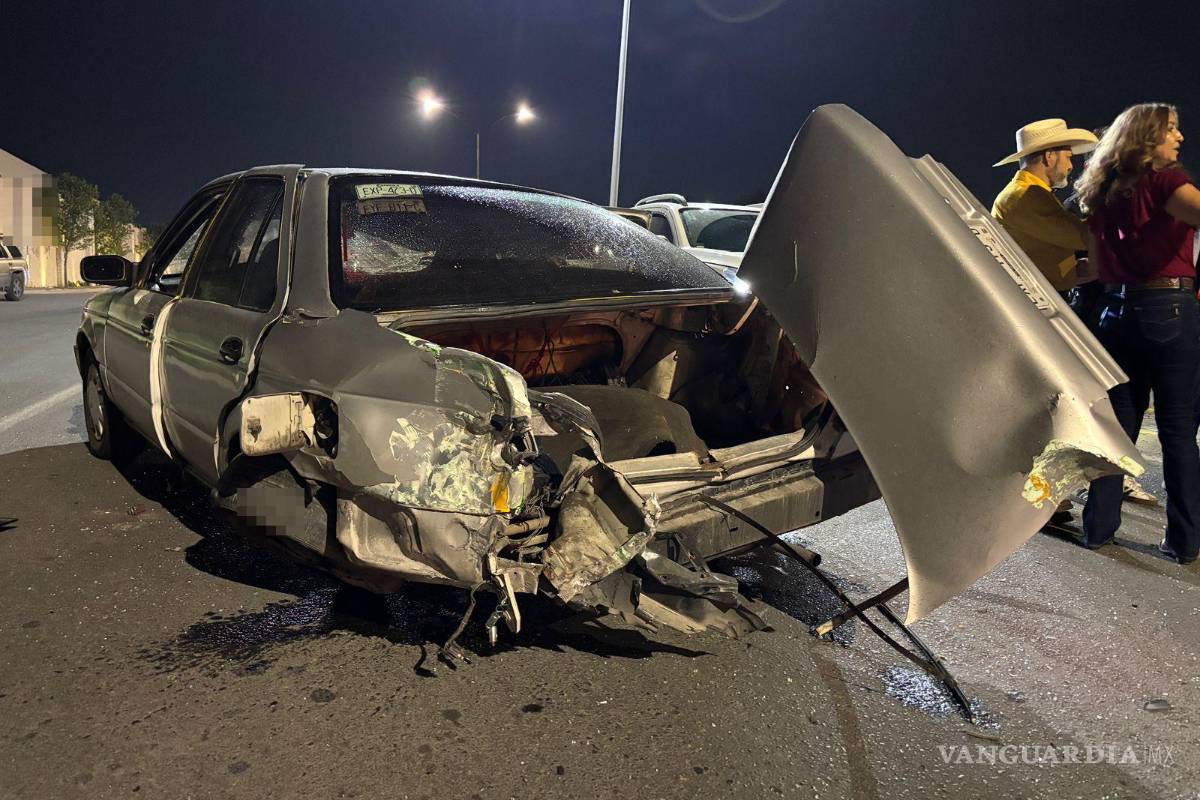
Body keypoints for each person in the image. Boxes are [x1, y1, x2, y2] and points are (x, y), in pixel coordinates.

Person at [1075, 103, 1200, 563]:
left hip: (1115, 312)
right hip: (1168, 308)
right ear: (1148, 137)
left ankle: (1098, 529)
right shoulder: (1166, 181)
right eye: (1172, 129)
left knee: (1118, 427)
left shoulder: (1101, 188)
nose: (1180, 137)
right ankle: (1184, 541)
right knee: (1178, 430)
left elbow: (1094, 265)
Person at [992, 119, 1099, 300]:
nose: (1070, 166)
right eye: (1068, 157)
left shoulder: (1030, 193)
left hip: (1039, 297)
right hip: (1035, 302)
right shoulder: (1025, 196)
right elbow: (1082, 236)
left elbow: (1047, 258)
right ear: (1049, 156)